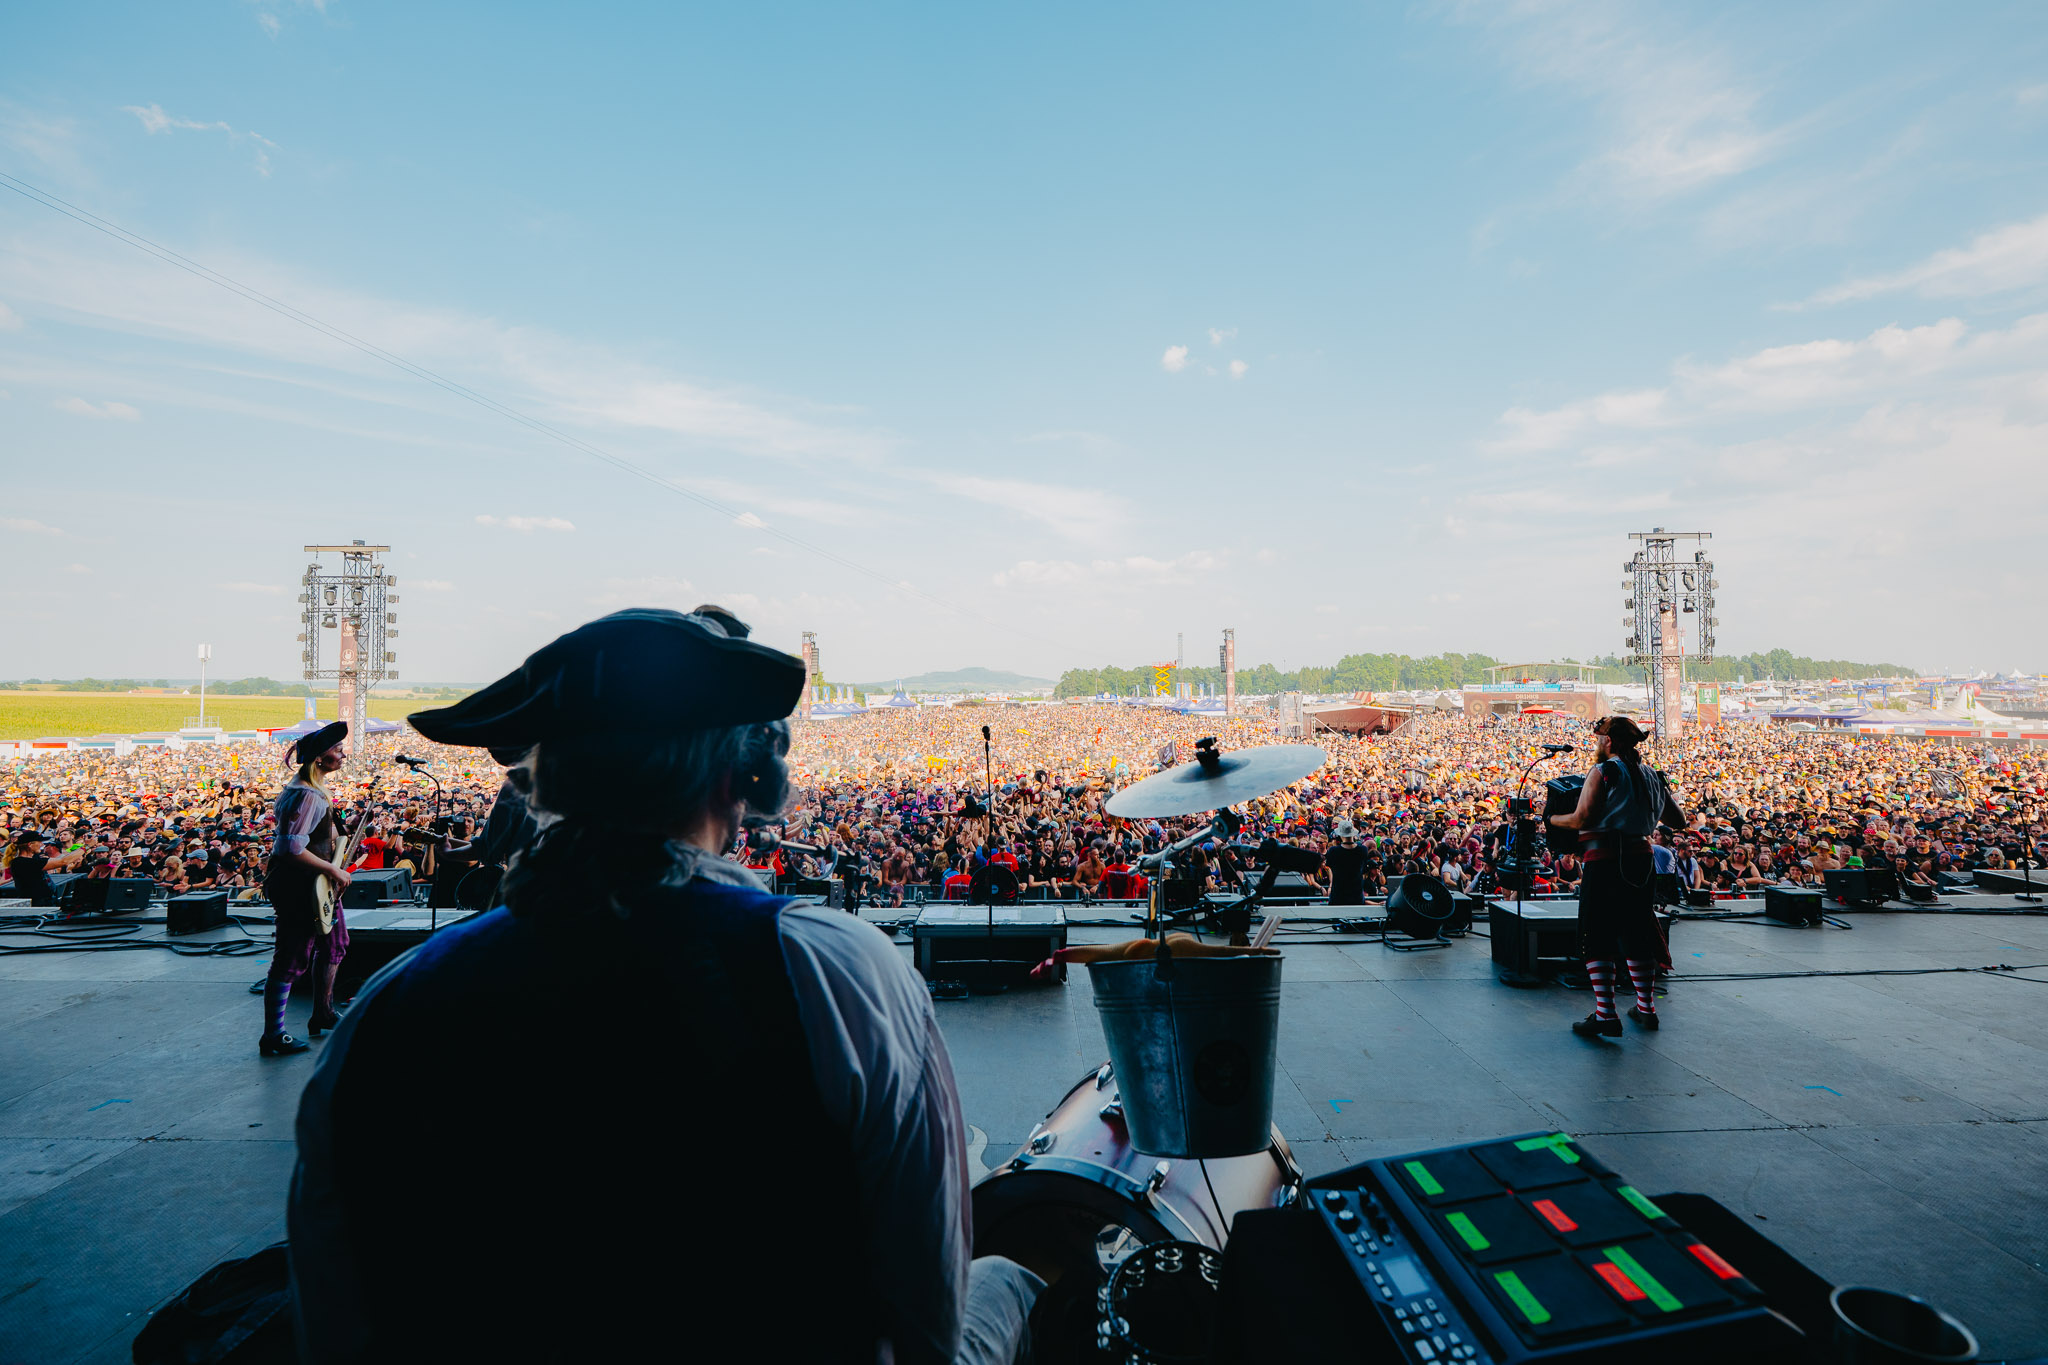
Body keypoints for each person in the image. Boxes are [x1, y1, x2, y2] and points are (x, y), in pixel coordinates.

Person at [287, 607, 1045, 1364]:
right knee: (1008, 1278)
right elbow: (930, 1328)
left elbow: (337, 1316)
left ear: (542, 780)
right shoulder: (842, 974)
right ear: (745, 774)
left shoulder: (387, 1011)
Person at [1549, 716, 1688, 1040]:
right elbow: (1677, 820)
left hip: (1606, 858)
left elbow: (1582, 817)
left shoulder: (1603, 771)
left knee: (1598, 935)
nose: (1598, 743)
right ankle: (1646, 1008)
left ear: (1609, 741)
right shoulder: (1653, 775)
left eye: (1599, 738)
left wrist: (1552, 818)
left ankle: (1606, 1014)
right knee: (1637, 931)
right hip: (1642, 859)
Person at [259, 722, 354, 1058]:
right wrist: (332, 869)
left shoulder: (311, 792)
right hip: (301, 887)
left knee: (335, 944)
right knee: (291, 957)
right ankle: (274, 1034)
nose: (343, 754)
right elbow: (289, 848)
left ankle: (323, 1011)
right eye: (338, 750)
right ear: (318, 759)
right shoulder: (306, 795)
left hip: (319, 887)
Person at [1323, 819, 1368, 906]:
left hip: (1338, 896)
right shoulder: (1363, 850)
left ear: (1340, 834)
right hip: (1356, 896)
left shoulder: (1333, 851)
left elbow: (1329, 867)